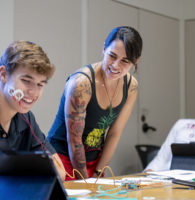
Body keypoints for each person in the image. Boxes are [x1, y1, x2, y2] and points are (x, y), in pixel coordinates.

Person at [48, 26, 143, 180]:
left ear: (135, 61)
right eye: (112, 56)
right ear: (104, 48)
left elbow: (114, 133)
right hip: (62, 158)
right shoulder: (81, 84)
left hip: (94, 159)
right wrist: (86, 181)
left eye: (125, 61)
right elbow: (74, 140)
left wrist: (99, 173)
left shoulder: (131, 86)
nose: (116, 65)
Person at [0, 40, 65, 181]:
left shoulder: (25, 118)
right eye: (26, 80)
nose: (33, 92)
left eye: (40, 84)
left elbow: (59, 172)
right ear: (3, 74)